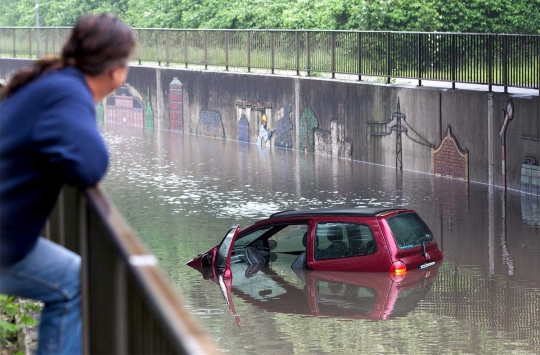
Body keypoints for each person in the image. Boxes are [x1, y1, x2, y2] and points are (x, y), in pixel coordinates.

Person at [0, 13, 135, 354]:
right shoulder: (68, 93)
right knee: (70, 283)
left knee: (70, 273)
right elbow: (90, 165)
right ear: (116, 71)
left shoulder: (54, 80)